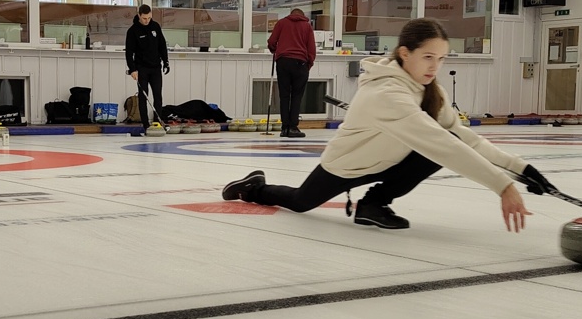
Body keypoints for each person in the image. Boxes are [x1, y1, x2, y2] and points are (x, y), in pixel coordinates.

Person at [223, 18, 556, 233]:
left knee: (437, 145)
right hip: (349, 165)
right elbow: (444, 144)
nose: (435, 67)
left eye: (441, 59)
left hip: (391, 158)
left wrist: (521, 169)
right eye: (428, 57)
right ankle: (252, 187)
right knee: (300, 202)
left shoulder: (430, 90)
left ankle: (374, 204)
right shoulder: (386, 93)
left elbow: (461, 138)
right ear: (404, 53)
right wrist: (502, 186)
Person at [268, 8, 316, 138]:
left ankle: (284, 128)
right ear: (302, 15)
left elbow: (272, 41)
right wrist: (309, 64)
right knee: (297, 95)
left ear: (291, 14)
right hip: (300, 63)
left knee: (284, 95)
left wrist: (274, 50)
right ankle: (293, 127)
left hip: (283, 62)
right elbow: (311, 48)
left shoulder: (281, 23)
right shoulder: (307, 26)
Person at [125, 4, 169, 130]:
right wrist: (132, 69)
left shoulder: (155, 26)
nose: (147, 21)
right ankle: (145, 124)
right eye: (144, 18)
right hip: (141, 68)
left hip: (155, 67)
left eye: (149, 18)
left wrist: (166, 62)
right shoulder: (133, 31)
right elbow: (129, 53)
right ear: (139, 15)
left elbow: (162, 45)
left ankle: (158, 122)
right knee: (143, 96)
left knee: (158, 95)